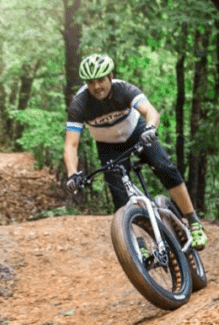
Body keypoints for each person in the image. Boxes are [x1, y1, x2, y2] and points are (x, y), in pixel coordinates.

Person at [64, 53, 207, 250]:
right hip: (107, 146)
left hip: (137, 133)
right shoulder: (80, 104)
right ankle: (138, 247)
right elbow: (71, 145)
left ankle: (193, 221)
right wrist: (72, 174)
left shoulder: (124, 89)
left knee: (164, 167)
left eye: (100, 80)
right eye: (90, 82)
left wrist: (150, 128)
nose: (96, 86)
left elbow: (150, 112)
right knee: (120, 199)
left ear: (110, 76)